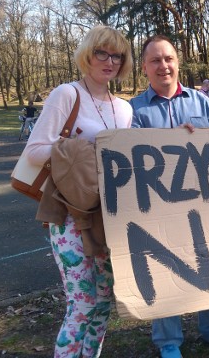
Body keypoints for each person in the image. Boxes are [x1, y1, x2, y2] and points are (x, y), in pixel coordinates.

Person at [23, 26, 133, 357]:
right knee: (82, 302)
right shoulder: (67, 94)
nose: (109, 61)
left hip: (106, 214)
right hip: (69, 214)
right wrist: (84, 145)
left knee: (102, 300)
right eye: (102, 52)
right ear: (88, 54)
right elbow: (34, 151)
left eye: (117, 55)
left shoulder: (125, 109)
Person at [130, 35, 209, 358]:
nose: (163, 66)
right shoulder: (133, 110)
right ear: (144, 68)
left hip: (205, 205)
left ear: (177, 62)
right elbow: (129, 159)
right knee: (164, 270)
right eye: (155, 60)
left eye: (169, 59)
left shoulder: (201, 102)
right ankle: (168, 341)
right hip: (158, 208)